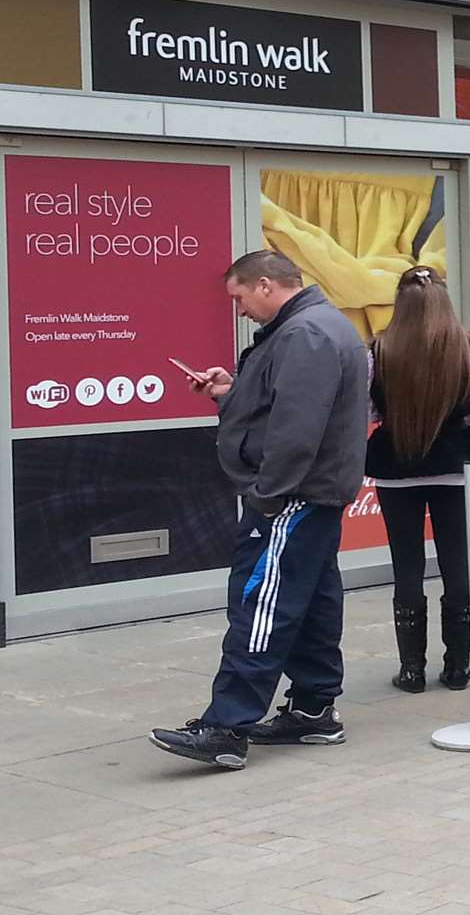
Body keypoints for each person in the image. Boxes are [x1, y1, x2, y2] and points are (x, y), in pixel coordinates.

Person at [149, 252, 370, 770]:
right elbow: (280, 410)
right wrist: (230, 392)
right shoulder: (311, 328)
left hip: (291, 495)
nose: (240, 309)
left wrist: (267, 495)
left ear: (266, 285)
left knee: (261, 603)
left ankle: (226, 726)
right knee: (312, 598)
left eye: (240, 297)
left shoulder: (304, 335)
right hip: (309, 493)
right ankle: (314, 709)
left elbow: (296, 430)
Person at [367, 266, 470, 694]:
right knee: (458, 566)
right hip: (454, 466)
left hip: (396, 468)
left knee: (407, 568)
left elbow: (371, 413)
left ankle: (412, 669)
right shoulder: (466, 349)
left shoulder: (380, 350)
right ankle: (457, 667)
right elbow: (468, 410)